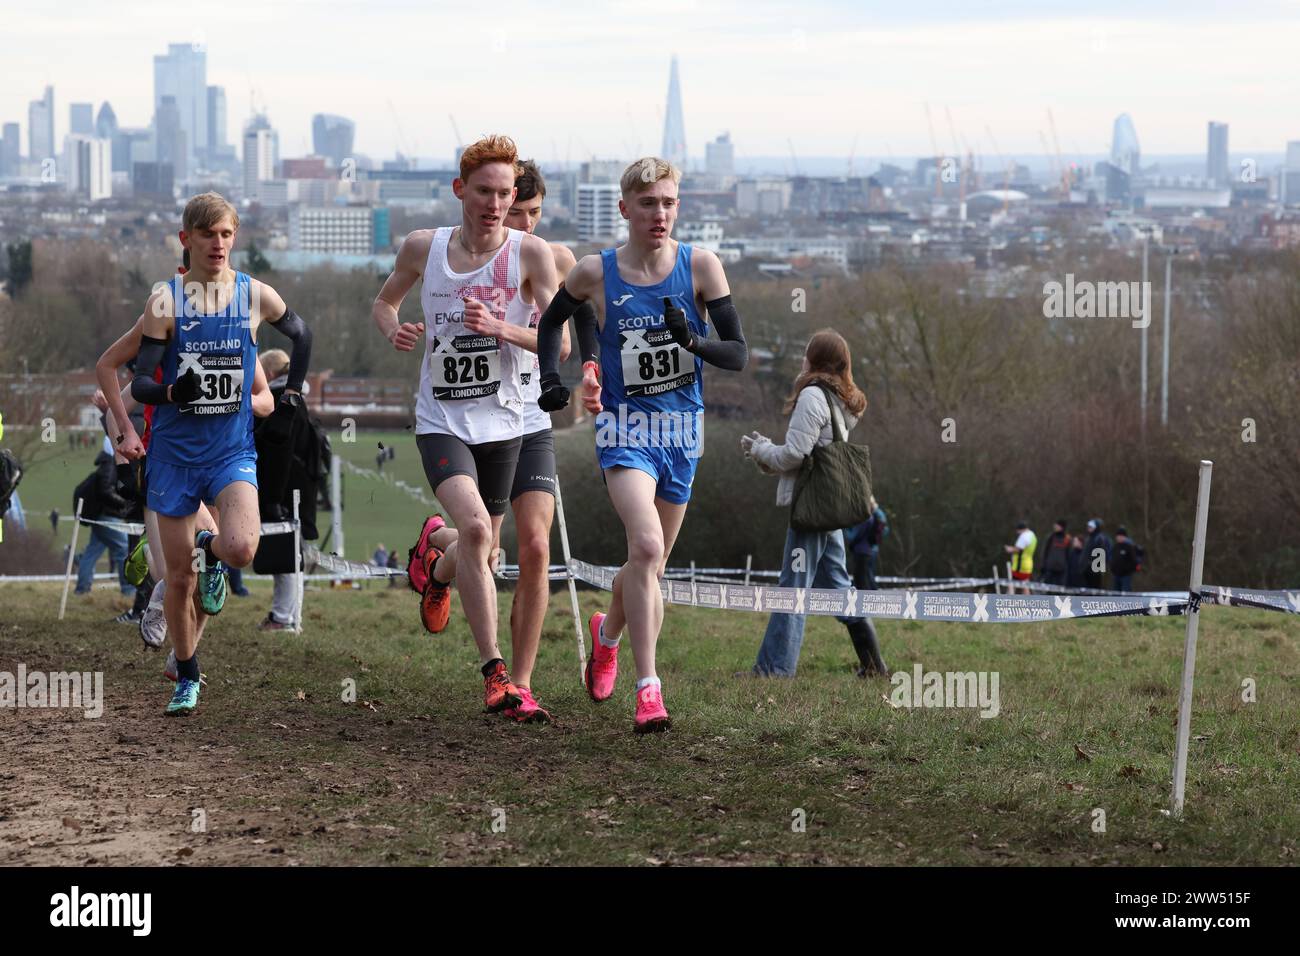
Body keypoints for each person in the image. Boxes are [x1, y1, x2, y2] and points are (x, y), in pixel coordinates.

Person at [535, 156, 748, 733]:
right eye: (649, 203)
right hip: (625, 432)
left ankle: (606, 638)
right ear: (625, 207)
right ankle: (649, 690)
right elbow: (552, 322)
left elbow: (738, 354)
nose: (660, 214)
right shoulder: (594, 272)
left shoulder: (702, 267)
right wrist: (556, 379)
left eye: (670, 202)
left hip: (683, 434)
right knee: (647, 548)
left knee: (646, 566)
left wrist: (694, 342)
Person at [371, 135, 558, 716]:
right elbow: (383, 304)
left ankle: (434, 559)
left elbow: (560, 342)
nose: (496, 203)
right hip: (441, 419)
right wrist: (395, 329)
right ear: (460, 190)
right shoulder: (423, 248)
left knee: (485, 547)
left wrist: (502, 329)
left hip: (505, 422)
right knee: (479, 531)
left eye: (505, 193)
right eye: (484, 191)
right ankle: (496, 674)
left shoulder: (531, 254)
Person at [132, 192, 312, 716]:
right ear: (186, 239)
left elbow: (301, 334)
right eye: (207, 234)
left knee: (241, 549)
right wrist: (171, 394)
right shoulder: (165, 301)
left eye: (227, 234)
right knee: (180, 580)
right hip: (172, 456)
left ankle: (207, 543)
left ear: (235, 238)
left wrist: (291, 393)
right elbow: (140, 380)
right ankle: (186, 674)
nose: (218, 244)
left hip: (231, 452)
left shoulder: (254, 295)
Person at [743, 330, 887, 678]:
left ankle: (774, 670)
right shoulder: (841, 397)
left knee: (792, 590)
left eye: (806, 353)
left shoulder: (812, 396)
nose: (802, 358)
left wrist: (758, 449)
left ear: (814, 359)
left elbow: (794, 454)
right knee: (838, 587)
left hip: (812, 510)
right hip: (830, 510)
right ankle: (874, 666)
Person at [254, 347, 327, 631]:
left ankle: (283, 617)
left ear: (269, 373)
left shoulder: (278, 401)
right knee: (290, 553)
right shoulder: (297, 399)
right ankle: (286, 614)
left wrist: (272, 498)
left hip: (283, 490)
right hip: (299, 489)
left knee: (285, 553)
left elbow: (278, 452)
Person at [72, 440, 135, 598]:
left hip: (101, 516)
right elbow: (105, 491)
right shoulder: (109, 465)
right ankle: (128, 590)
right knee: (124, 549)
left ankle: (82, 588)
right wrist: (123, 504)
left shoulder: (106, 463)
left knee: (92, 551)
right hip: (107, 517)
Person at [844, 496, 886, 590]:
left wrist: (845, 530)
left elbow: (855, 535)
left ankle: (865, 600)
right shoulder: (873, 517)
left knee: (861, 579)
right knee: (866, 577)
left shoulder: (866, 519)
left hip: (861, 551)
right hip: (868, 550)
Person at [1005, 521, 1037, 595]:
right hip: (1028, 564)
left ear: (1021, 529)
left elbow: (1018, 549)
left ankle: (1008, 601)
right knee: (1025, 585)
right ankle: (1028, 603)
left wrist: (1009, 549)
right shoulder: (1032, 535)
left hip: (1020, 565)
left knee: (1011, 584)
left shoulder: (1024, 536)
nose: (1018, 533)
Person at [1038, 518, 1071, 587]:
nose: (1055, 527)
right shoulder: (1051, 537)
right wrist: (1043, 565)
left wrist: (1068, 568)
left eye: (1057, 526)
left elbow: (1069, 555)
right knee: (1048, 588)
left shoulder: (1067, 539)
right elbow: (1045, 552)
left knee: (1059, 590)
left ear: (1062, 527)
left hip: (1062, 570)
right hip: (1049, 568)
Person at [1111, 526, 1144, 592]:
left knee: (1126, 593)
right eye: (1118, 536)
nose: (1119, 537)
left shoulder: (1129, 547)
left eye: (1121, 536)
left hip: (1126, 576)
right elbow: (1112, 558)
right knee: (1115, 594)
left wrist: (1128, 569)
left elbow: (1134, 560)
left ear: (1125, 537)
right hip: (1116, 575)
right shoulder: (1115, 547)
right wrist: (1112, 568)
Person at [1083, 518, 1113, 590]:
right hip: (1087, 568)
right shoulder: (1089, 538)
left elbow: (1103, 554)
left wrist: (1098, 568)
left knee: (1096, 589)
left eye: (1091, 527)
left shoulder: (1100, 538)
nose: (1088, 529)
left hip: (1096, 569)